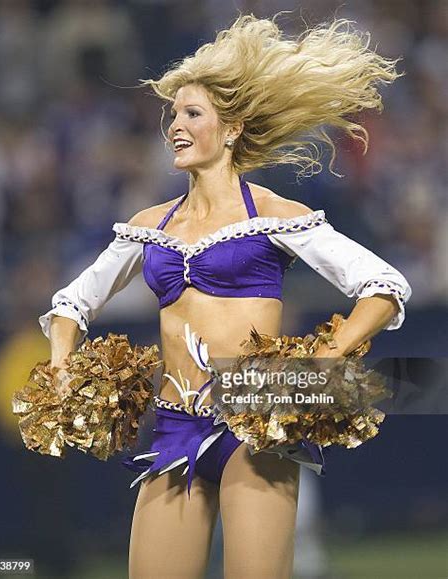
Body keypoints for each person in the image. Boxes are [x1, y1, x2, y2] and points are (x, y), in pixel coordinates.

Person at [39, 14, 412, 579]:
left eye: (192, 114)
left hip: (254, 420)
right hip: (175, 426)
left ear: (232, 128)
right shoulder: (148, 225)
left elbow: (384, 286)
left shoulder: (274, 216)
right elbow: (71, 303)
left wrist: (329, 358)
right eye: (172, 116)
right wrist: (62, 368)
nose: (175, 127)